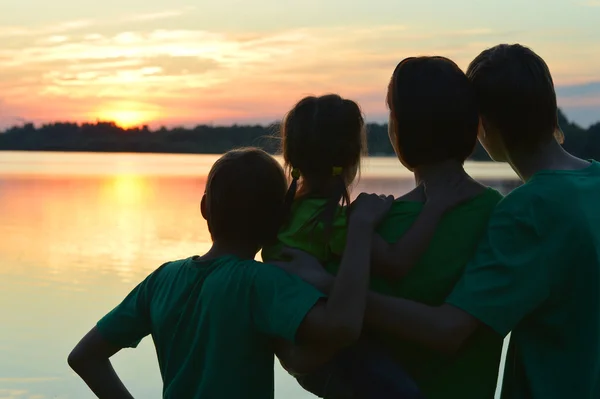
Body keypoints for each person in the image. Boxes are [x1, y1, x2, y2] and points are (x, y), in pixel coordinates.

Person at [283, 44, 600, 399]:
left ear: (482, 123)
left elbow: (304, 351)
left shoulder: (520, 214)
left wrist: (332, 285)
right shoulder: (508, 207)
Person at [67, 147, 394, 399]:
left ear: (205, 207)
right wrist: (361, 230)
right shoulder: (262, 282)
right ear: (281, 218)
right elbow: (342, 327)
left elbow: (84, 357)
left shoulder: (161, 280)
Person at [279, 57, 506, 399]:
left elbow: (307, 353)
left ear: (400, 127)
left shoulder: (366, 228)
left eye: (390, 113)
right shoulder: (501, 215)